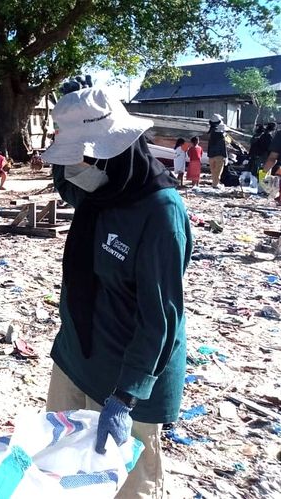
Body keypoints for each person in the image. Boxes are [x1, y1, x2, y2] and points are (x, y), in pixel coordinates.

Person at [41, 85, 192, 498]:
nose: (77, 167)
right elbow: (68, 181)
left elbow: (161, 318)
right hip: (76, 355)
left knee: (127, 485)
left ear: (119, 150)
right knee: (67, 471)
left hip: (128, 377)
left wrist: (127, 396)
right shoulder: (98, 189)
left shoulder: (160, 212)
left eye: (84, 156)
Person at [206, 114, 228, 188]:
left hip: (211, 155)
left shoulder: (211, 133)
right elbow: (223, 147)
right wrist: (226, 156)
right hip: (219, 155)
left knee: (213, 171)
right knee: (218, 172)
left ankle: (214, 183)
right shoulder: (221, 135)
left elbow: (209, 146)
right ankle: (215, 184)